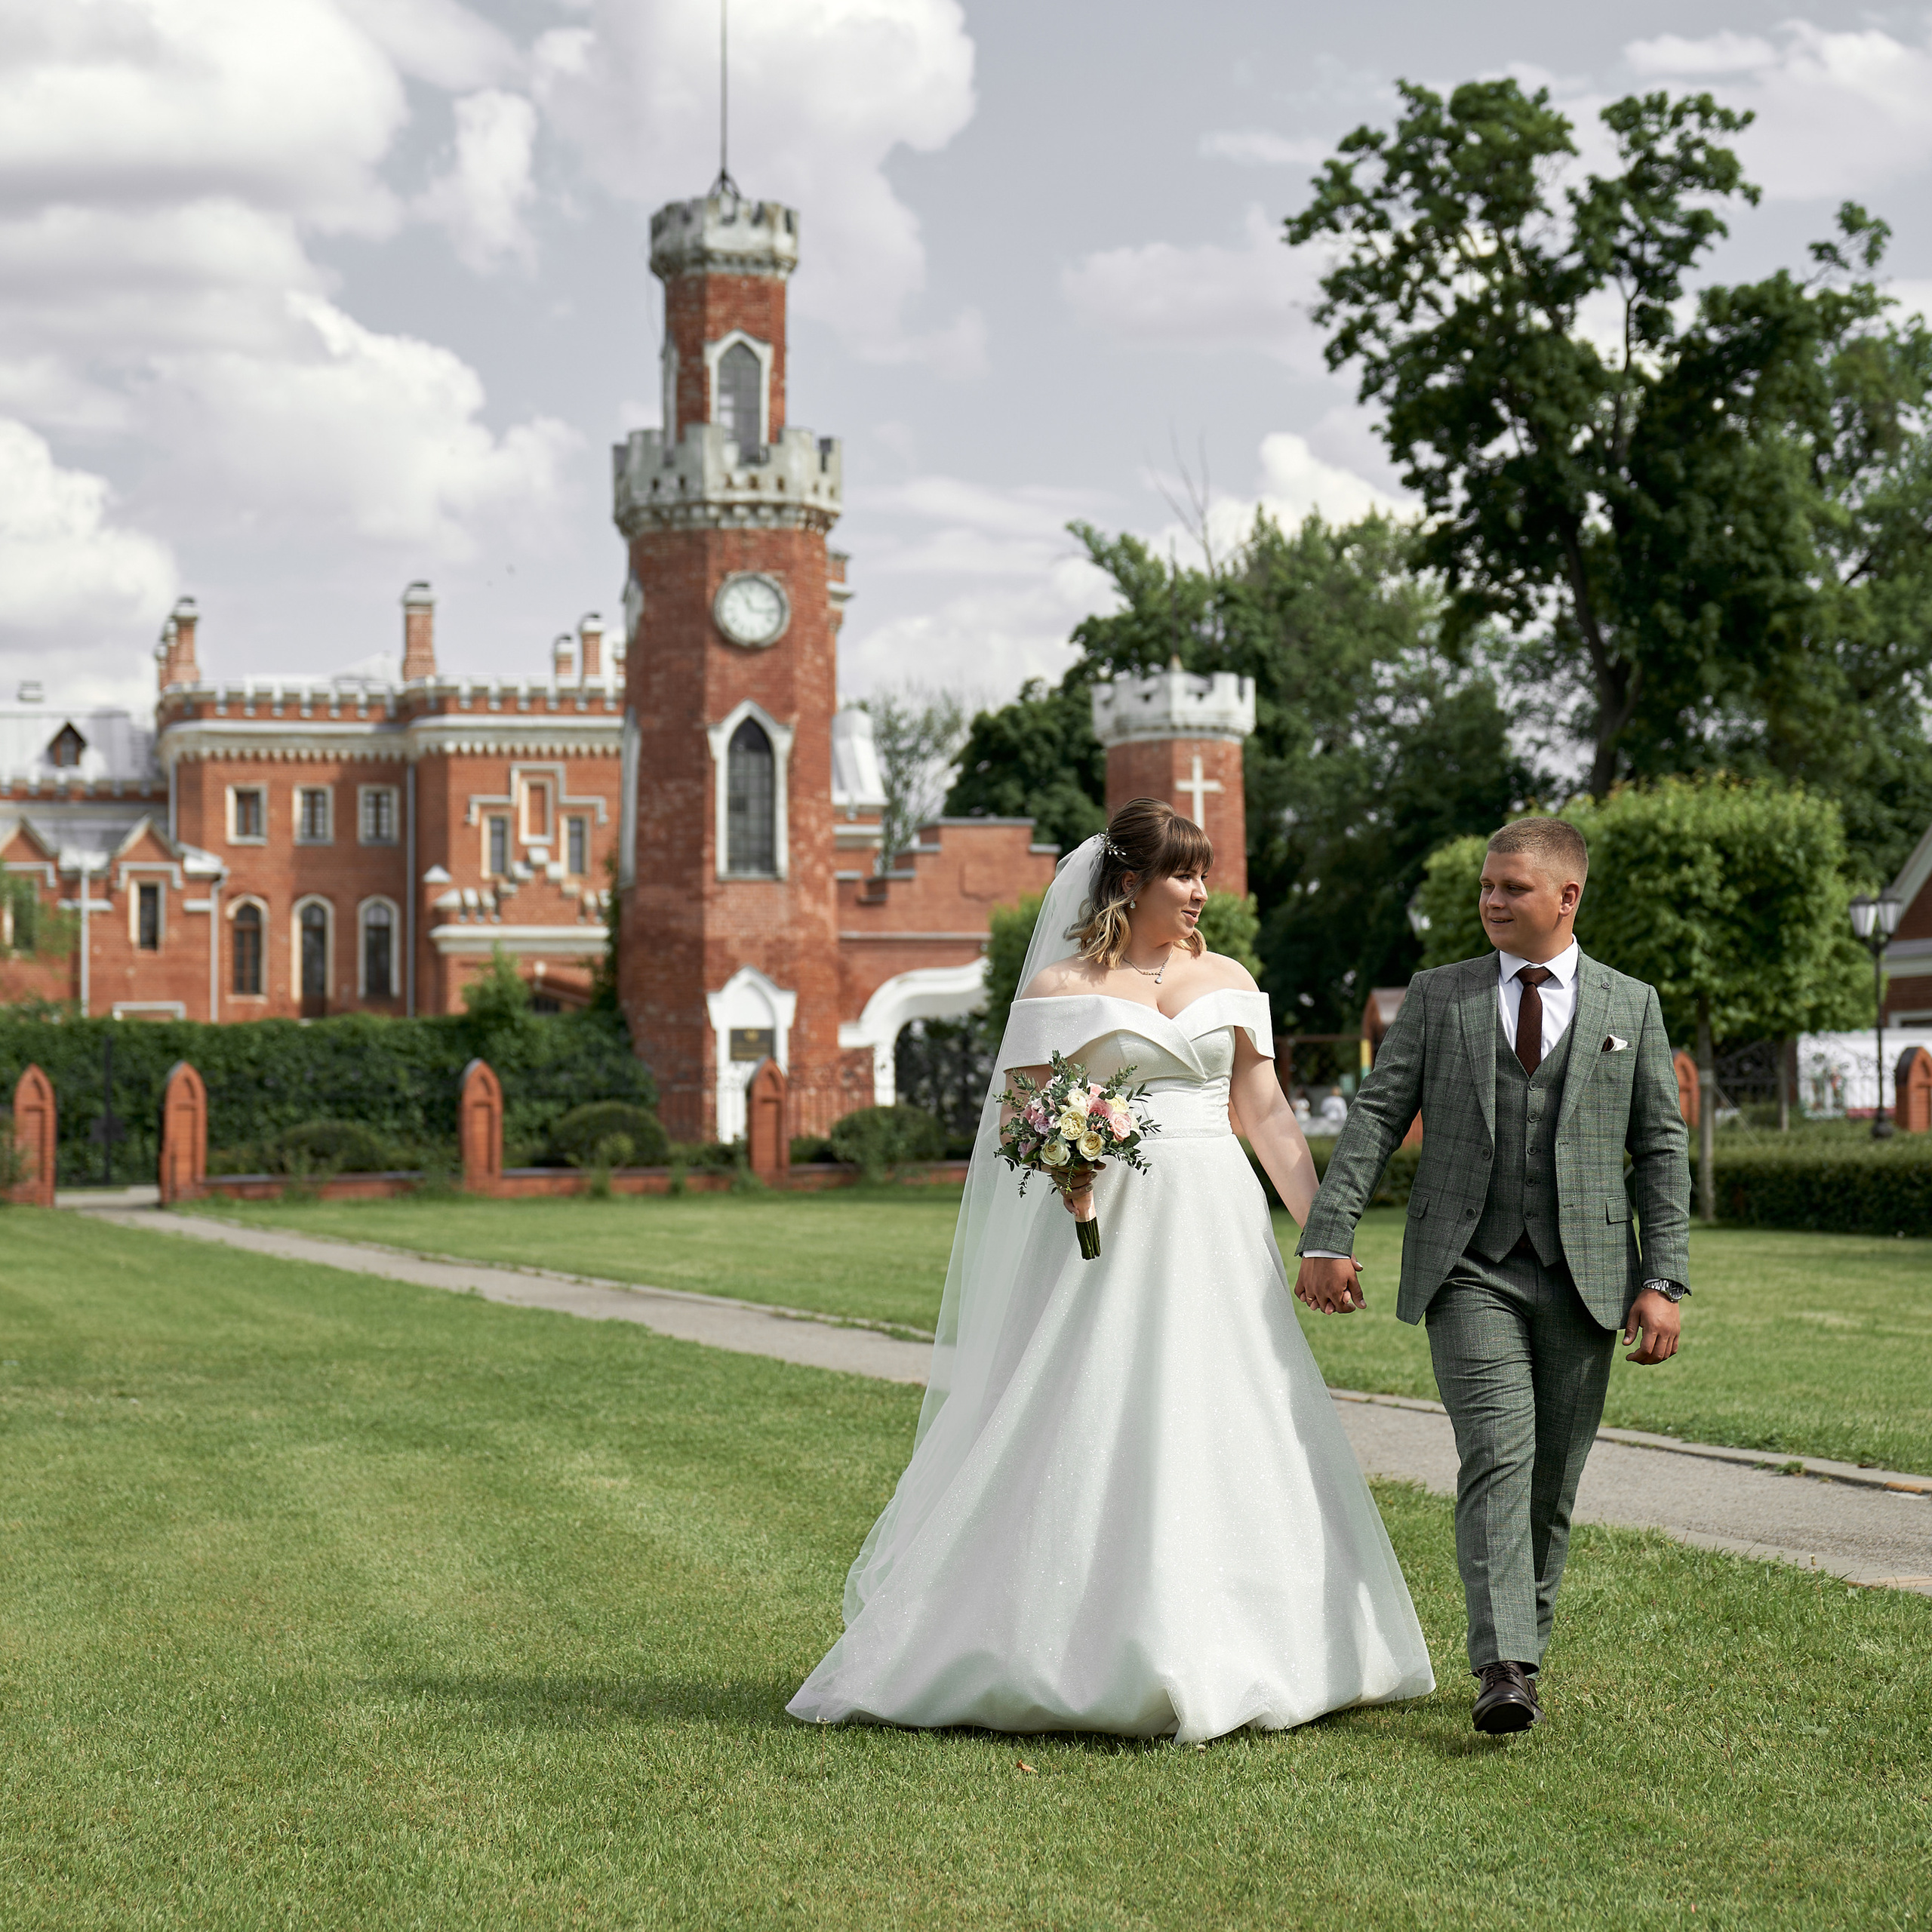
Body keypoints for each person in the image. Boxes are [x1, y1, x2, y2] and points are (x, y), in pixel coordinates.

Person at [789, 798, 1434, 1741]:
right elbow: (1021, 1112)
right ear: (1130, 882)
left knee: (1231, 1403)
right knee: (1090, 1401)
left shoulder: (1228, 978)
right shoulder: (1060, 985)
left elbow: (1265, 1115)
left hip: (1215, 1221)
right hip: (1107, 1230)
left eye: (1203, 873)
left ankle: (1263, 1642)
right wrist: (1068, 1163)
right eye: (1183, 874)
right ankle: (1054, 1643)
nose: (1201, 891)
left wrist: (1321, 1233)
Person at [1295, 817, 1690, 1735]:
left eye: (1513, 886)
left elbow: (1661, 1148)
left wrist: (1664, 1278)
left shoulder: (1629, 1005)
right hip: (1467, 1266)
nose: (1491, 899)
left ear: (1567, 896)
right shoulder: (1439, 995)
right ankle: (1501, 1664)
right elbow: (1376, 1115)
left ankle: (1523, 1659)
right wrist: (1329, 1231)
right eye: (1486, 884)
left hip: (1588, 1275)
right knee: (1498, 1455)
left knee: (1551, 1479)